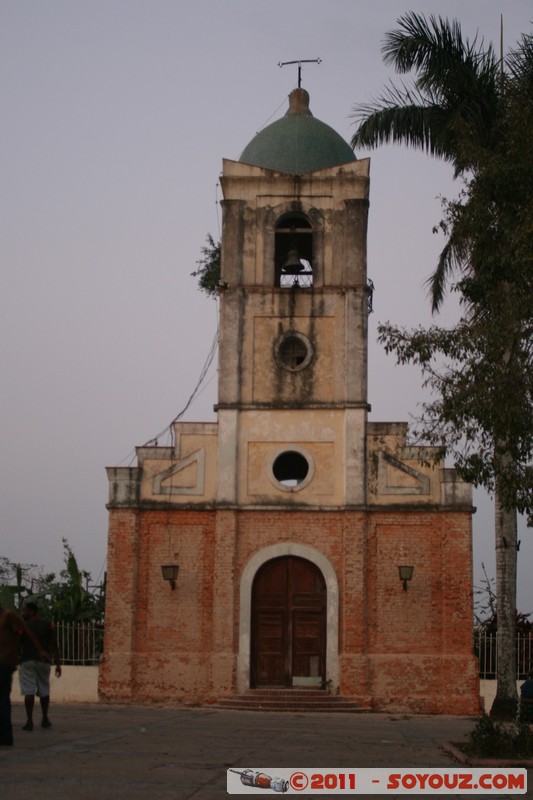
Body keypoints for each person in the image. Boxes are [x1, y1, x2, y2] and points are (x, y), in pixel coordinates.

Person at [0, 603, 48, 746]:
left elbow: (28, 632)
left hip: (4, 663)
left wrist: (40, 650)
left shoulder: (9, 616)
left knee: (2, 699)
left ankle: (6, 736)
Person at [19, 602, 61, 731]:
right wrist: (58, 663)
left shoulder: (24, 626)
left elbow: (17, 642)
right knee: (44, 690)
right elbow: (54, 643)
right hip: (44, 661)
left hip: (27, 661)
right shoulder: (48, 625)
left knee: (29, 691)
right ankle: (44, 718)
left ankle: (29, 721)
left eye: (24, 611)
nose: (23, 613)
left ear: (31, 611)